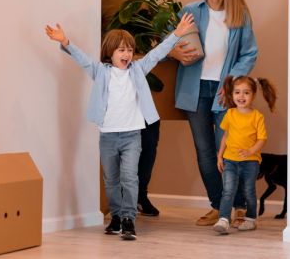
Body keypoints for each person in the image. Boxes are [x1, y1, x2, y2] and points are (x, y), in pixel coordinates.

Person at [44, 14, 195, 240]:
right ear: (110, 53)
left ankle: (128, 219)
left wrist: (177, 34)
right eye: (121, 50)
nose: (127, 54)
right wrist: (65, 41)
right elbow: (83, 59)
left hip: (132, 135)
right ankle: (115, 217)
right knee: (111, 180)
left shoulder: (138, 69)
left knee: (129, 177)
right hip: (108, 137)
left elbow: (157, 53)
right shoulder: (101, 72)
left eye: (130, 50)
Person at [168, 0, 258, 226]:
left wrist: (230, 82)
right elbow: (170, 40)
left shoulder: (240, 15)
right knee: (204, 151)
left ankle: (239, 205)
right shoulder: (191, 10)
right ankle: (219, 206)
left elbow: (249, 53)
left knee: (229, 149)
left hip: (223, 92)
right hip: (194, 91)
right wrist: (173, 52)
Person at [101, 0, 161, 216]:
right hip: (116, 83)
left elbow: (156, 33)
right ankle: (120, 203)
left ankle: (141, 195)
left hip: (142, 77)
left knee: (149, 136)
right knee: (120, 142)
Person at [213, 75, 277, 233]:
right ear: (232, 94)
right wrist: (220, 156)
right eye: (237, 92)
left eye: (246, 93)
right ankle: (224, 219)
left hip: (251, 162)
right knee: (228, 190)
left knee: (248, 190)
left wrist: (250, 151)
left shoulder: (257, 117)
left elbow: (262, 139)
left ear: (253, 95)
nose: (241, 96)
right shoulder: (230, 114)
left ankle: (251, 219)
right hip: (230, 160)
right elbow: (225, 136)